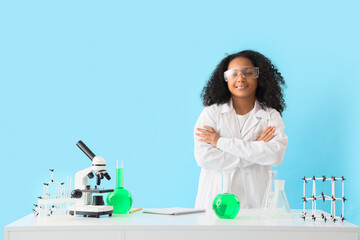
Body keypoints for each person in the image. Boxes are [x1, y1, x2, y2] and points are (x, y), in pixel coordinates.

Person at [194, 50, 288, 210]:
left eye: (248, 72)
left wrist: (219, 142)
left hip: (256, 206)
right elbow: (204, 158)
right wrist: (255, 149)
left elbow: (275, 155)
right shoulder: (211, 114)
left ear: (260, 76)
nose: (240, 78)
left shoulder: (270, 116)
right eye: (233, 74)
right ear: (225, 79)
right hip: (215, 205)